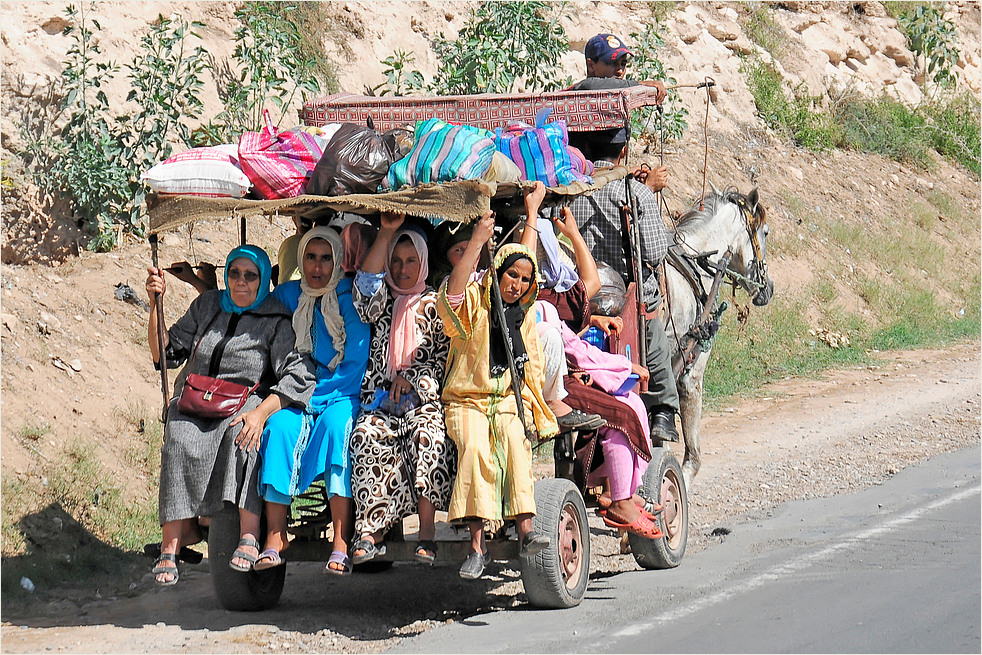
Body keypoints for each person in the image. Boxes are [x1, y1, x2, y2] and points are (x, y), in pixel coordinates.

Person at [145, 245, 314, 586]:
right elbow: (166, 354)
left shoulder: (276, 318)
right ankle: (173, 542)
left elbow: (297, 373)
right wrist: (154, 304)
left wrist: (263, 412)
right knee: (177, 435)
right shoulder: (208, 306)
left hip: (244, 401)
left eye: (250, 276)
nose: (241, 282)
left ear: (264, 279)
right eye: (234, 273)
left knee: (246, 432)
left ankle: (249, 534)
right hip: (197, 399)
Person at [437, 211, 557, 580]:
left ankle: (526, 530)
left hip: (505, 400)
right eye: (511, 275)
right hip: (466, 399)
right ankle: (477, 546)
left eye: (524, 279)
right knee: (474, 446)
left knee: (513, 440)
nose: (517, 284)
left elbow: (532, 368)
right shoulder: (475, 298)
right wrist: (477, 241)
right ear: (497, 273)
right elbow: (450, 300)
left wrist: (538, 409)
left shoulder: (524, 315)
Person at [257, 227, 371, 576]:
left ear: (337, 260)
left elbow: (356, 360)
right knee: (277, 428)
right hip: (298, 392)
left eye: (325, 258)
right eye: (310, 257)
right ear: (300, 260)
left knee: (339, 431)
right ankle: (276, 536)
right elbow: (246, 305)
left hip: (341, 394)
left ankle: (340, 540)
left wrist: (323, 392)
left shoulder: (352, 297)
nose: (317, 267)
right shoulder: (289, 295)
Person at [348, 212, 455, 566]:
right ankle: (370, 534)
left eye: (411, 260)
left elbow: (444, 358)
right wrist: (386, 234)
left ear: (423, 262)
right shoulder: (380, 304)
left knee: (427, 436)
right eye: (396, 260)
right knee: (366, 435)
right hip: (379, 401)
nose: (403, 268)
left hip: (423, 401)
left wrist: (414, 378)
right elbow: (365, 290)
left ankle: (427, 533)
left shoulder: (435, 304)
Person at [569, 126, 680, 442]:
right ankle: (663, 408)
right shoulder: (635, 192)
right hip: (621, 298)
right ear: (622, 152)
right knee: (650, 317)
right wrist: (645, 191)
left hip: (583, 295)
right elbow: (656, 252)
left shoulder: (569, 189)